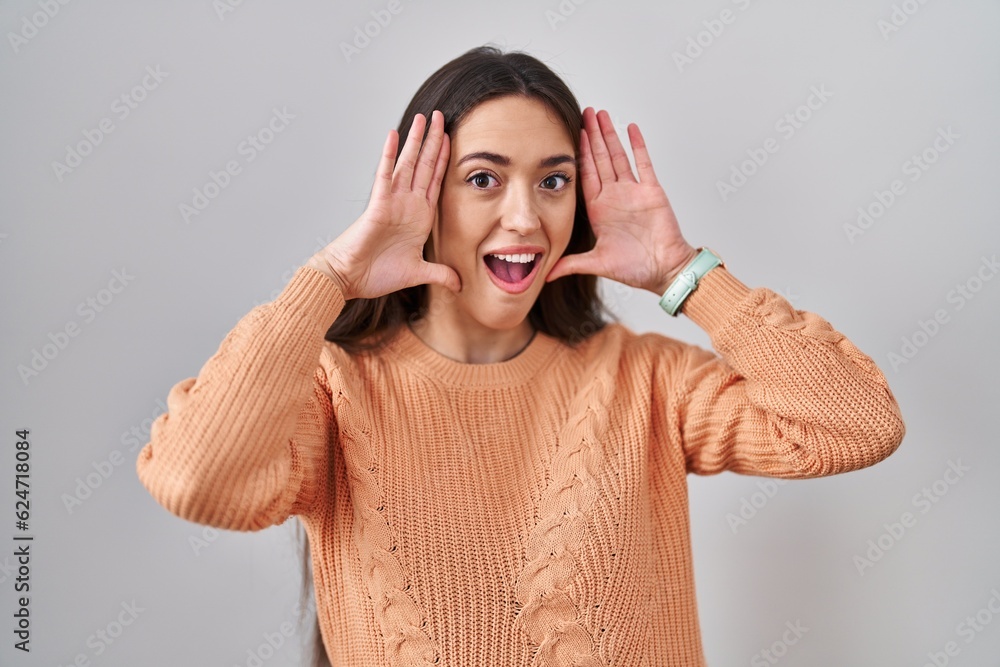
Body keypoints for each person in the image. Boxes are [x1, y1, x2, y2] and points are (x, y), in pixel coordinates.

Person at [135, 45, 906, 666]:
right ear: (423, 197)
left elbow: (856, 423)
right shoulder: (336, 392)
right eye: (483, 179)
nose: (524, 215)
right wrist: (330, 279)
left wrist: (683, 272)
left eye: (553, 181)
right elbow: (196, 479)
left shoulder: (641, 379)